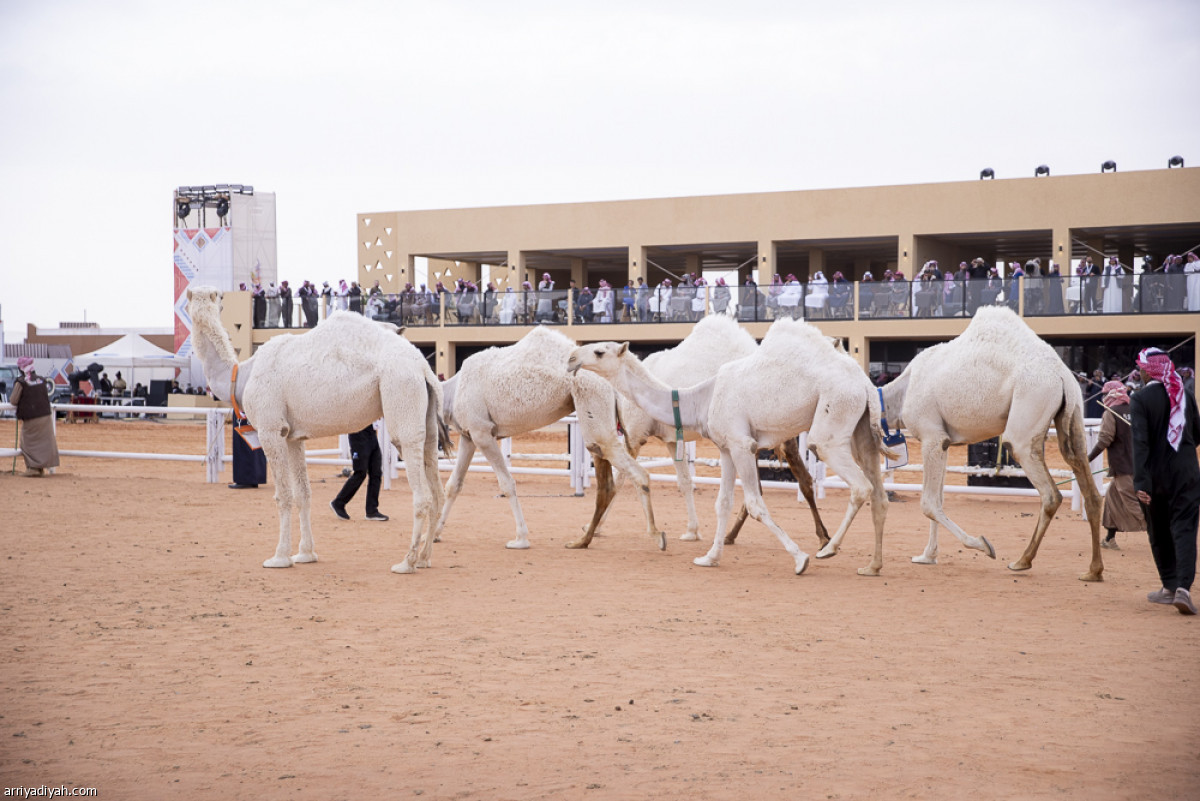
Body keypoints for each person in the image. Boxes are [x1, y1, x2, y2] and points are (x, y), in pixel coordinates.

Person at [1130, 347, 1200, 615]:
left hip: (1155, 476)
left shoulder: (1140, 399)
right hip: (1187, 473)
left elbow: (1140, 444)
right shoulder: (1186, 395)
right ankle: (1184, 588)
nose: (1140, 371)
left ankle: (1169, 587)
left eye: (1141, 367)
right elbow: (1197, 432)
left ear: (1148, 370)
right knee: (1185, 529)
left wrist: (1141, 483)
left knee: (1158, 530)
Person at [1086, 381, 1145, 550]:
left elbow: (1104, 440)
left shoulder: (1111, 413)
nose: (1103, 397)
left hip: (1124, 468)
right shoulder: (1135, 410)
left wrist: (1087, 459)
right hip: (1138, 465)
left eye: (1105, 394)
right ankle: (1109, 539)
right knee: (1112, 499)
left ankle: (1166, 535)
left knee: (1135, 506)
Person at [10, 356, 59, 477]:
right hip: (45, 416)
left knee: (27, 443)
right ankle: (39, 468)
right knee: (44, 442)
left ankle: (33, 468)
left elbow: (13, 400)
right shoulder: (41, 380)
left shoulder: (21, 382)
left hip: (31, 417)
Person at [330, 423, 389, 522]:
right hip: (357, 432)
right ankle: (338, 503)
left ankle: (372, 510)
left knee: (376, 472)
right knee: (360, 472)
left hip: (372, 433)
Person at [229, 411, 267, 489]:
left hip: (244, 410)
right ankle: (254, 478)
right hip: (254, 410)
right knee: (254, 441)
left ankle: (246, 479)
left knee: (244, 442)